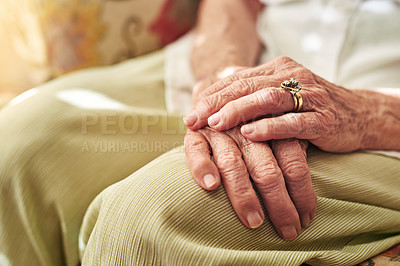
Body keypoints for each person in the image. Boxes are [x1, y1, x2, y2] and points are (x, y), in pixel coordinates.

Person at [0, 0, 399, 265]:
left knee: (147, 222)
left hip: (380, 119)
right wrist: (224, 81)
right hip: (248, 55)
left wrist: (366, 113)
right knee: (21, 147)